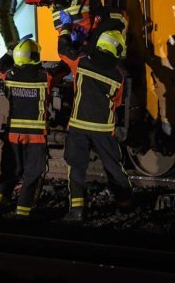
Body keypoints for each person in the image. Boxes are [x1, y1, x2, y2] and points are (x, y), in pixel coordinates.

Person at [57, 15, 133, 222]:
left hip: (78, 125)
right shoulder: (119, 75)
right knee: (114, 167)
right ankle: (125, 205)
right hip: (103, 128)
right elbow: (117, 102)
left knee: (76, 167)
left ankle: (77, 210)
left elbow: (63, 49)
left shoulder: (81, 62)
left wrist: (66, 27)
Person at [0, 37, 68, 219]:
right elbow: (65, 67)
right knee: (33, 173)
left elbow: (2, 63)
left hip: (13, 134)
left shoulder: (8, 75)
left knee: (10, 172)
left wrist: (12, 48)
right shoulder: (45, 77)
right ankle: (22, 212)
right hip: (36, 136)